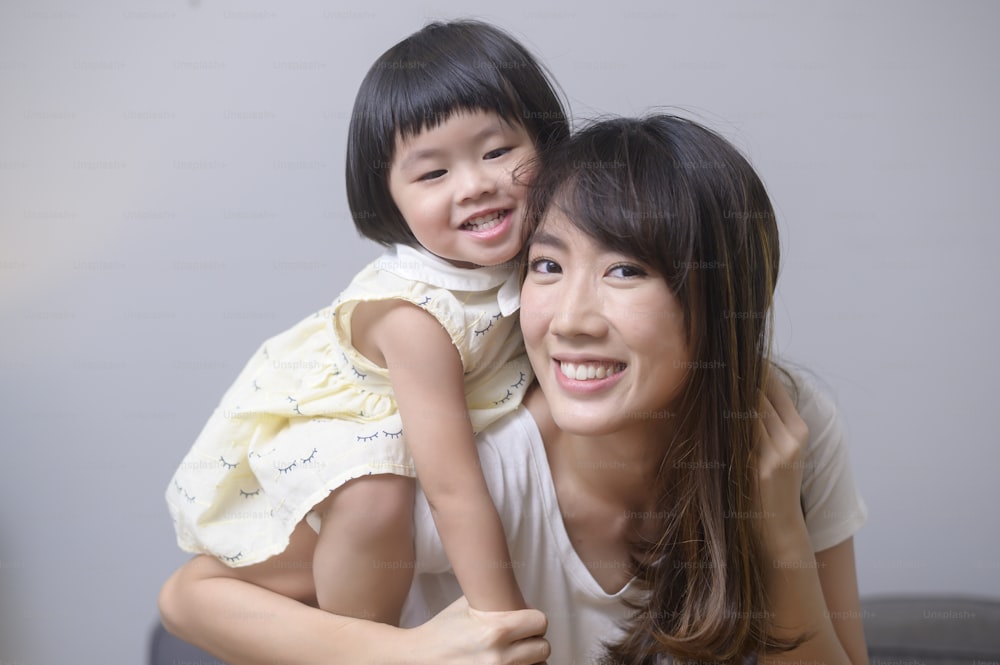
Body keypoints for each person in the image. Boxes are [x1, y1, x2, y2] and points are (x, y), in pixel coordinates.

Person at [159, 114, 869, 665]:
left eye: (625, 271)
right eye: (547, 266)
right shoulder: (483, 466)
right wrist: (408, 653)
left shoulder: (789, 429)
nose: (572, 320)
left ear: (721, 295)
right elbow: (190, 596)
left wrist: (778, 529)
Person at [164, 19, 569, 625]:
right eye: (434, 173)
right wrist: (504, 622)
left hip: (423, 437)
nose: (477, 185)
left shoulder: (549, 257)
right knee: (377, 493)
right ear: (388, 196)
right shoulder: (416, 317)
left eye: (498, 151)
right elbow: (453, 488)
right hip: (341, 432)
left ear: (544, 143)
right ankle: (364, 643)